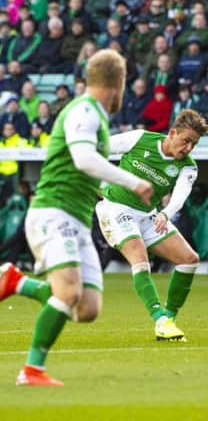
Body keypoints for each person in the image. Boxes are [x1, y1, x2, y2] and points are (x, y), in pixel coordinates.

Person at [0, 49, 154, 387]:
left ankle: (16, 282)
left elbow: (84, 168)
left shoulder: (96, 115)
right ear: (118, 83)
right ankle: (31, 370)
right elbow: (83, 159)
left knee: (87, 308)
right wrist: (132, 181)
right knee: (68, 293)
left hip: (77, 219)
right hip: (54, 212)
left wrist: (99, 188)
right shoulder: (84, 111)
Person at [95, 109, 208, 342]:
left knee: (189, 260)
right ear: (172, 133)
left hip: (149, 215)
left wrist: (166, 214)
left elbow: (180, 195)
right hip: (116, 208)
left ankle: (168, 318)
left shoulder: (188, 167)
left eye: (194, 144)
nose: (188, 148)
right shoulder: (140, 139)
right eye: (186, 141)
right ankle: (159, 319)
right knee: (139, 256)